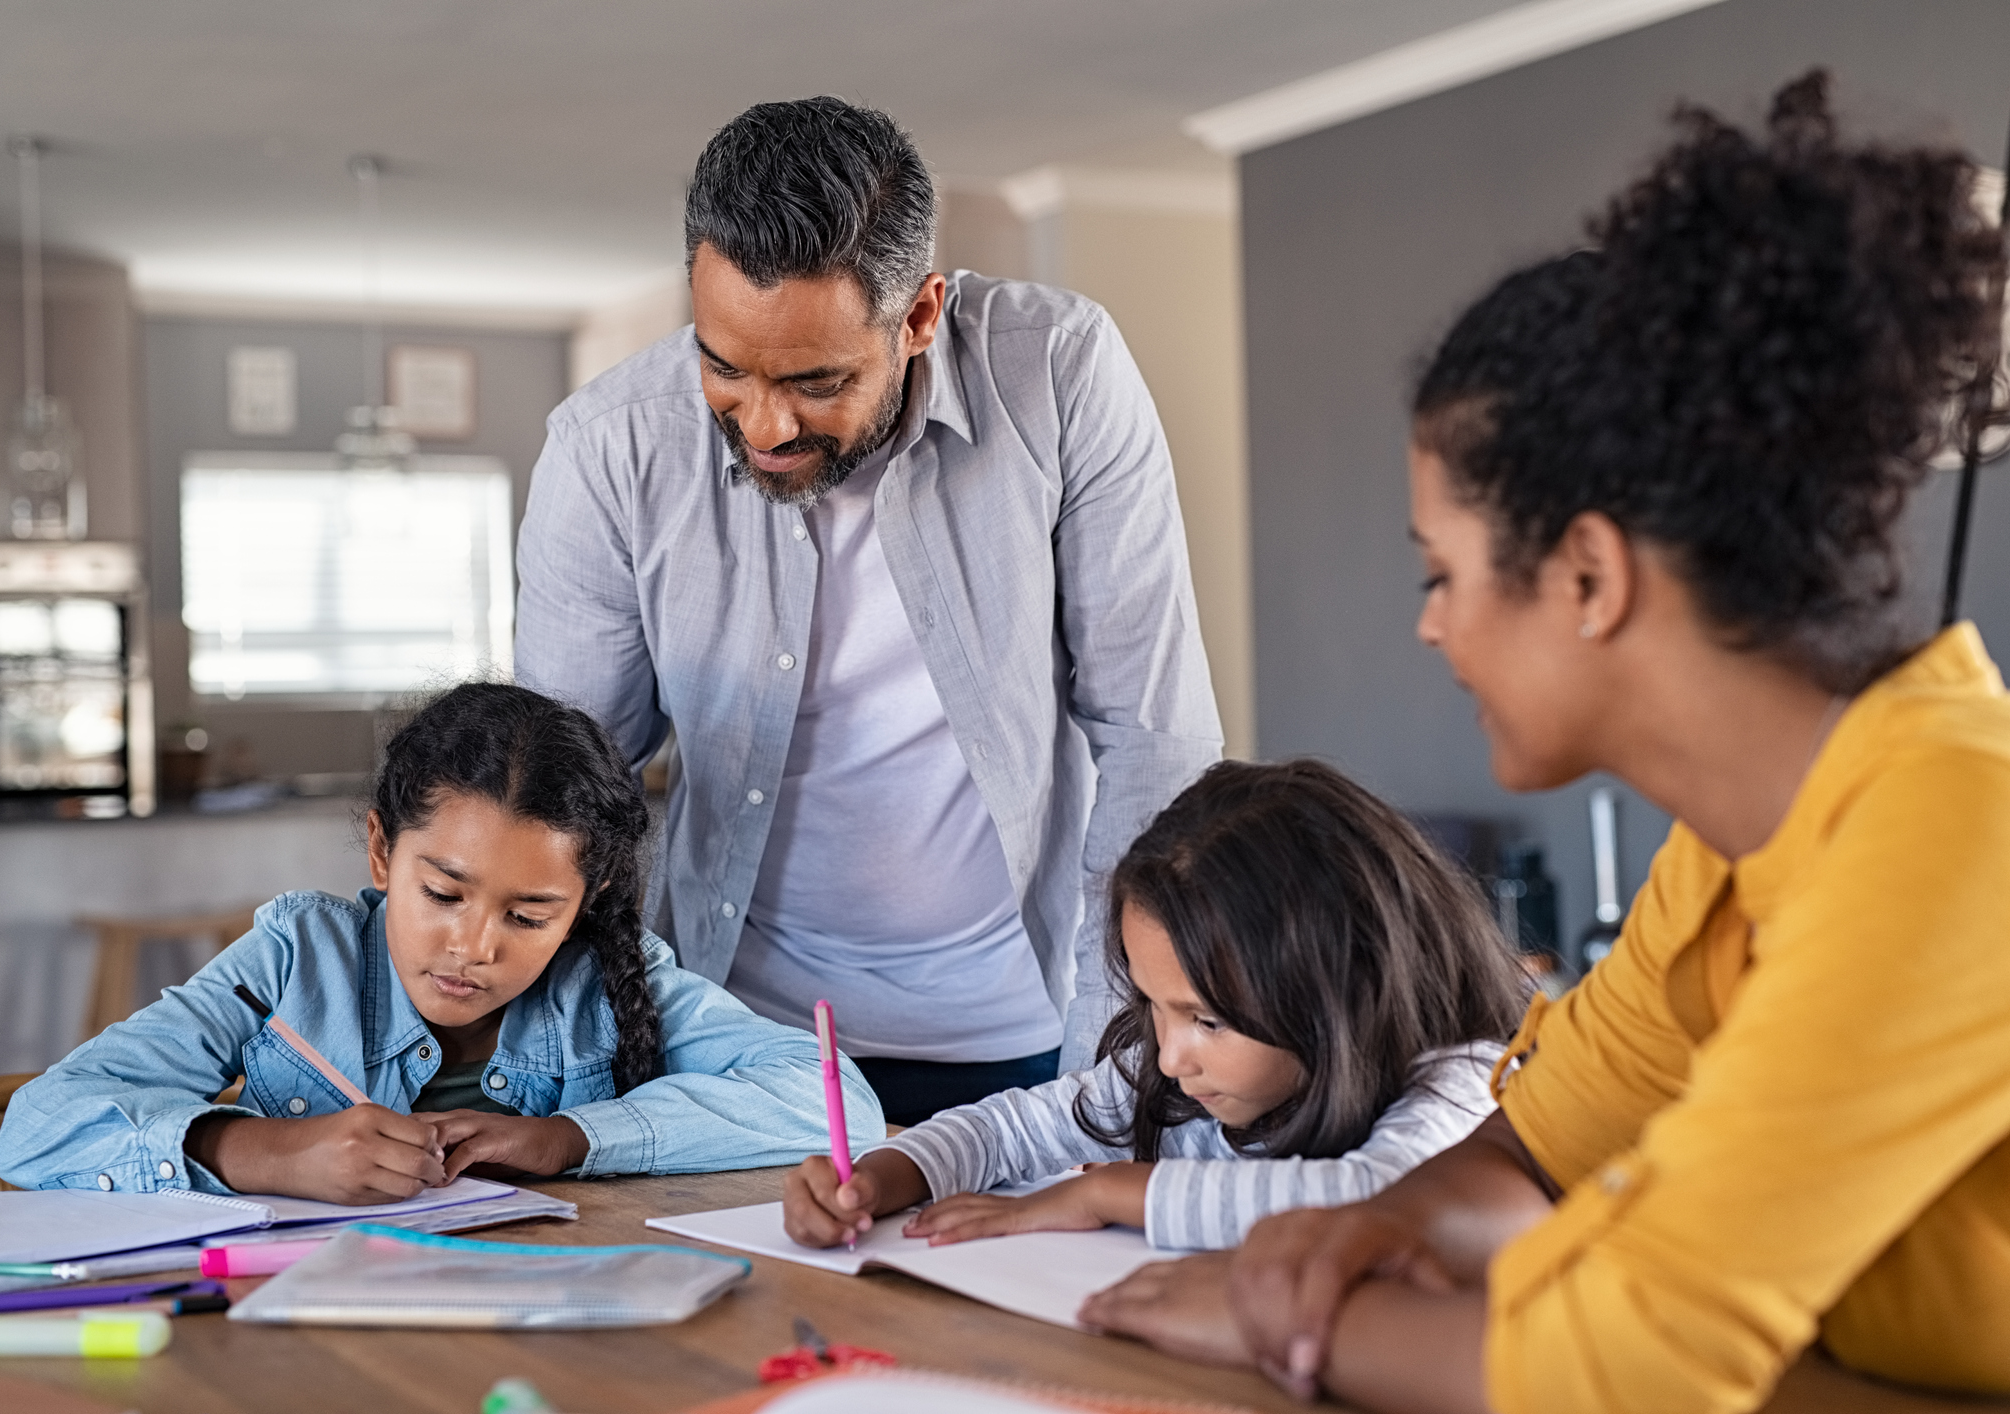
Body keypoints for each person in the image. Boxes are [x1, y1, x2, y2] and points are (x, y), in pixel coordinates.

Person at [1079, 72, 2010, 1412]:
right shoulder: (1732, 848)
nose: (1430, 629)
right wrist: (1374, 1228)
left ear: (1586, 575)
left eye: (1440, 575)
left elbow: (1625, 1363)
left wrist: (1277, 1322)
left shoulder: (1945, 822)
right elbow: (1541, 1146)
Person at [514, 97, 1223, 1124]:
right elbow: (559, 791)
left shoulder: (1061, 372)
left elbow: (1157, 738)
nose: (763, 423)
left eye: (815, 380)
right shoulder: (607, 446)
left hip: (1034, 1029)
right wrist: (564, 1066)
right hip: (739, 1041)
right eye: (724, 365)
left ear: (921, 316)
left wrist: (1116, 1060)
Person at [0, 683, 884, 1200]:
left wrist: (573, 1137)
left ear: (586, 902)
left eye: (529, 915)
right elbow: (36, 1130)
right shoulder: (296, 957)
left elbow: (833, 1100)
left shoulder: (612, 980)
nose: (473, 945)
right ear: (384, 851)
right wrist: (263, 1151)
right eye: (443, 893)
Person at [781, 758, 1528, 1253]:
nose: (1169, 1058)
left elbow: (1382, 1199)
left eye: (1207, 1019)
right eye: (1152, 1004)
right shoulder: (1173, 1073)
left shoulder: (1464, 1083)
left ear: (1344, 988)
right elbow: (1010, 1129)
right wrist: (883, 1177)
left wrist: (1109, 1192)